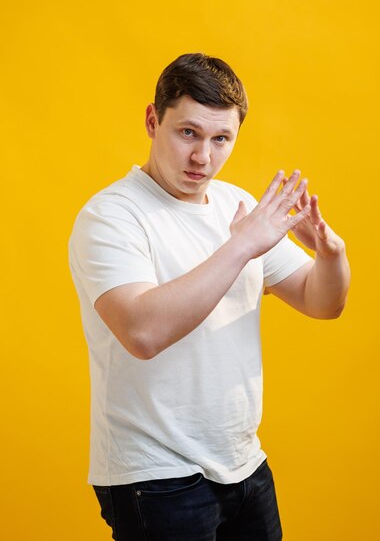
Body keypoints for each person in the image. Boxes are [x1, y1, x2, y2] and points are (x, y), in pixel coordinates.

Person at [68, 52, 350, 541]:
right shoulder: (111, 216)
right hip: (154, 478)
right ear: (153, 121)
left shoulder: (234, 205)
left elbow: (322, 302)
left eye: (221, 139)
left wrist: (331, 254)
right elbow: (142, 331)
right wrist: (242, 244)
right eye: (188, 133)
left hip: (243, 464)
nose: (203, 157)